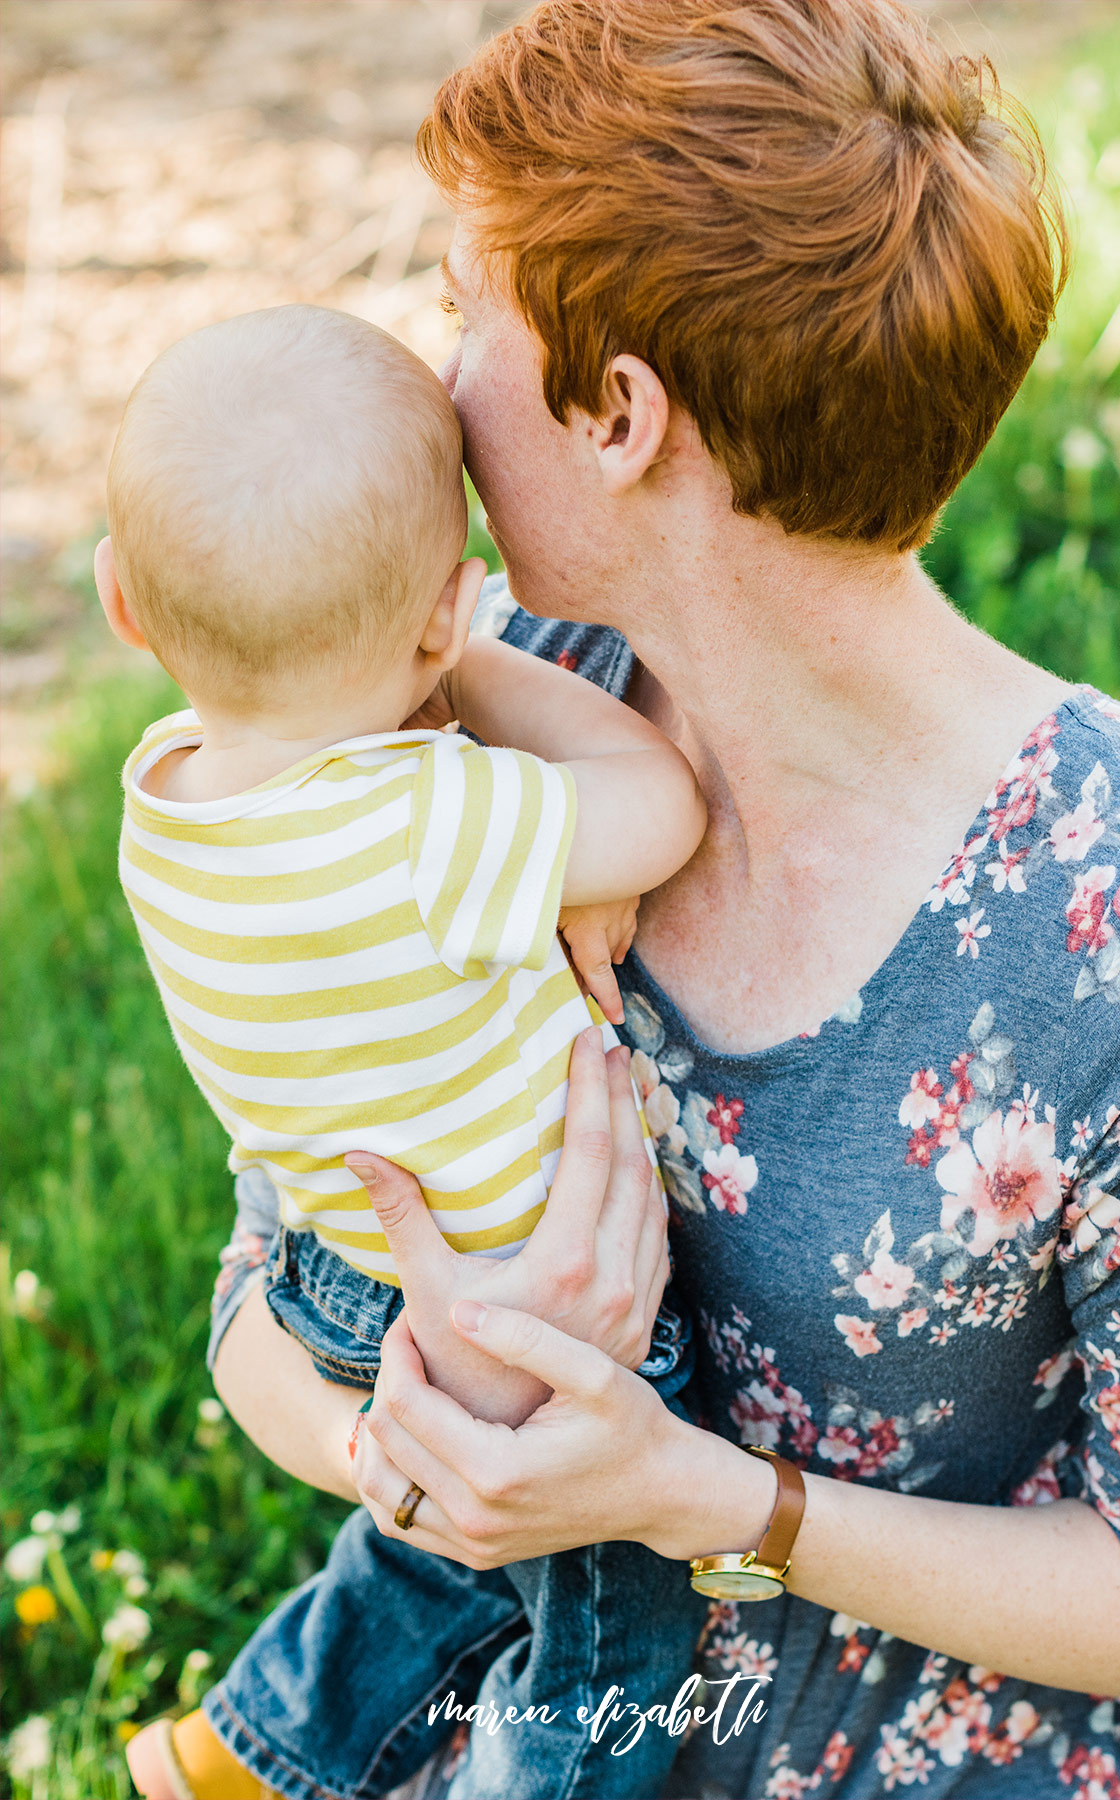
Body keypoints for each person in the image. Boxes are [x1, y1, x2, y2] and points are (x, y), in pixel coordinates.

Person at [206, 1, 1120, 1796]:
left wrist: (701, 1505)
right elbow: (268, 1272)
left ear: (618, 412)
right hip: (500, 1721)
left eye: (460, 308)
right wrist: (416, 1464)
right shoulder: (479, 709)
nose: (427, 387)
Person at [95, 304, 713, 1800]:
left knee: (448, 1565)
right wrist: (482, 662)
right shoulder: (424, 819)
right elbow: (659, 805)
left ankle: (261, 1750)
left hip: (343, 1283)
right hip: (537, 1311)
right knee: (610, 1657)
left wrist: (423, 647)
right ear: (441, 614)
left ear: (121, 606)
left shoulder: (161, 808)